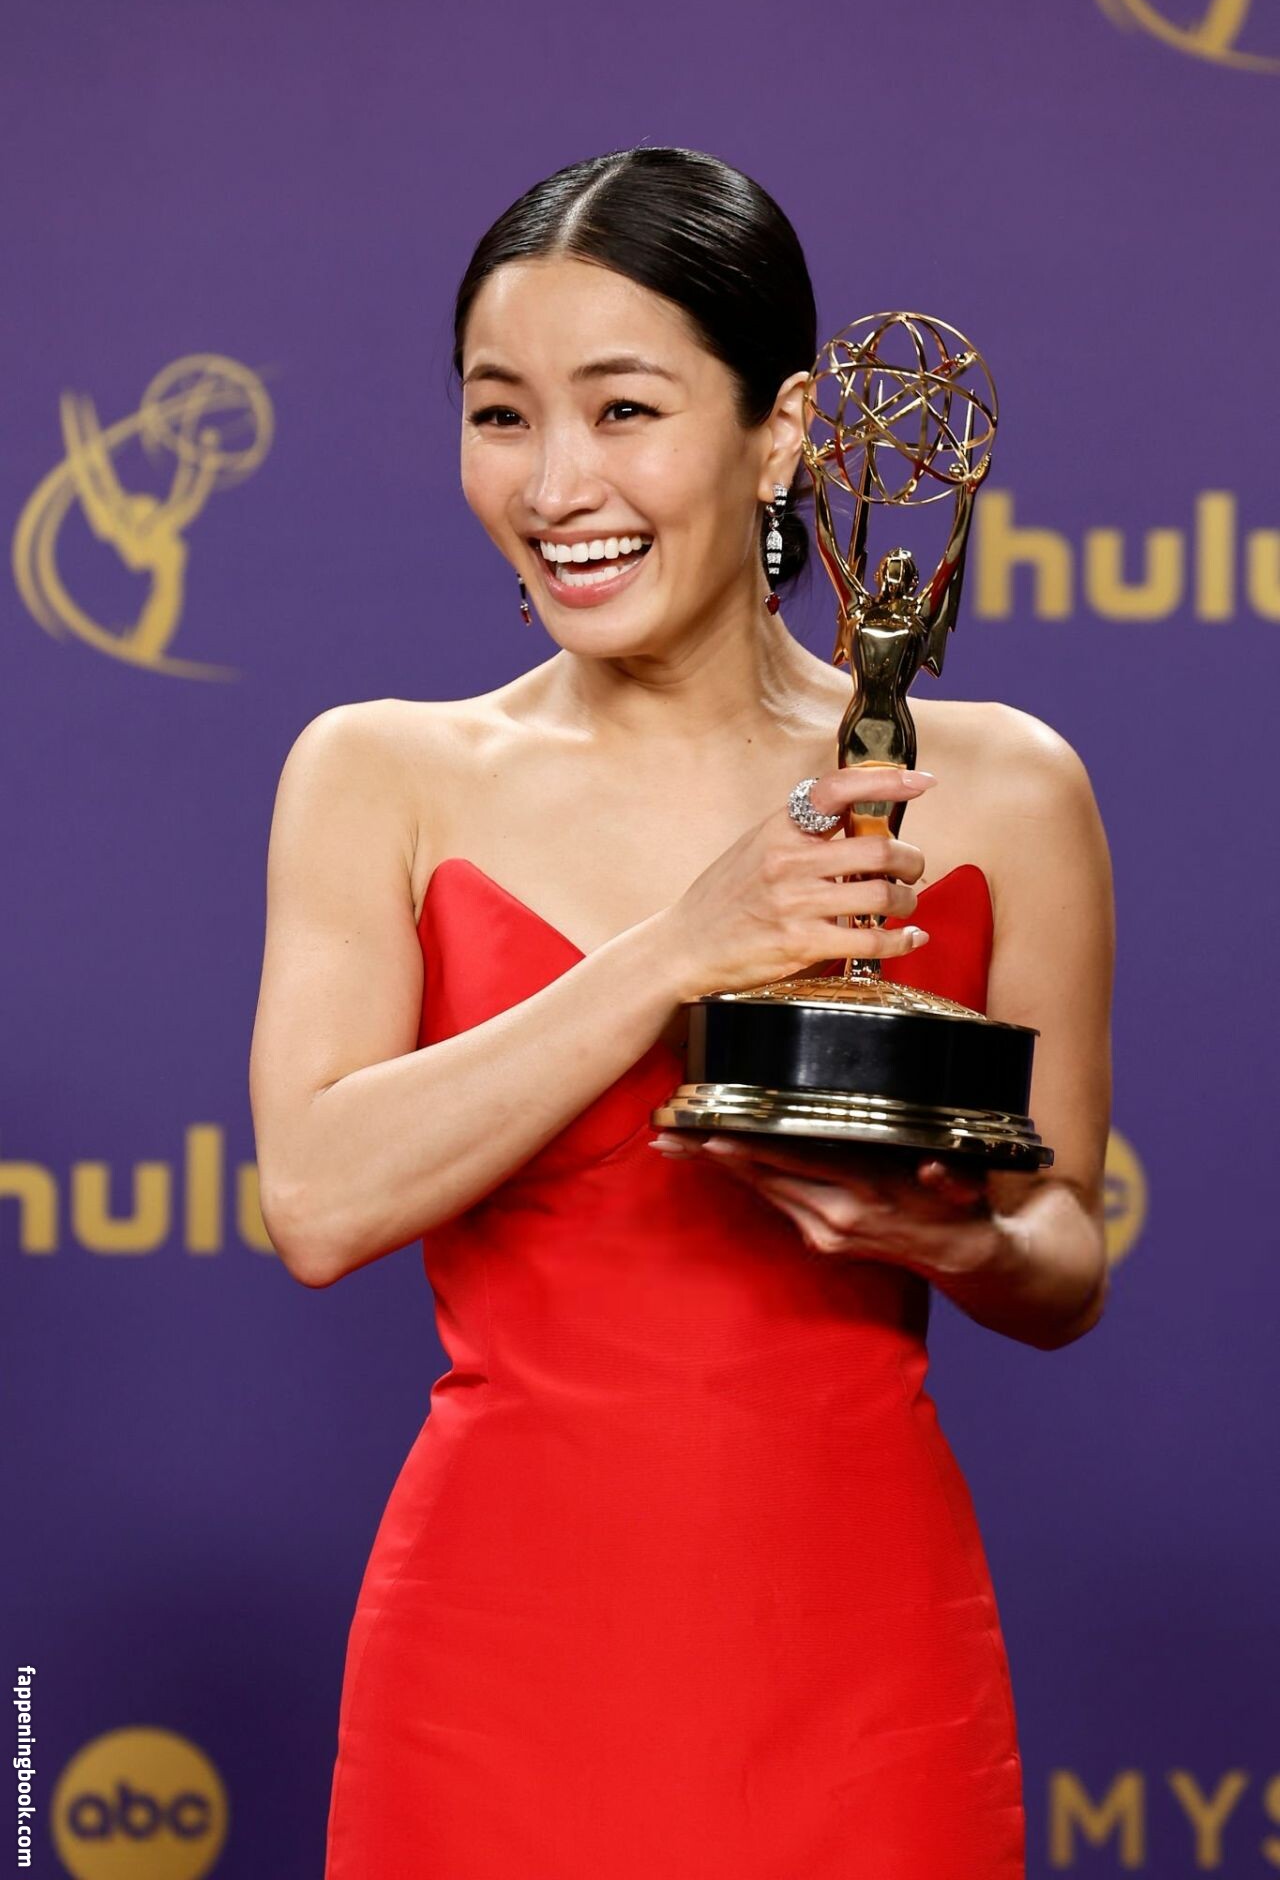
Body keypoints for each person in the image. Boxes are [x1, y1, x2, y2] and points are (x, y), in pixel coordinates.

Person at [249, 145, 1114, 1880]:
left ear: (780, 433)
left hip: (860, 1653)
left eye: (624, 410)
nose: (555, 483)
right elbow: (320, 1201)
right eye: (500, 416)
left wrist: (955, 1242)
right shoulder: (379, 772)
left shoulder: (1005, 789)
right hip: (491, 1656)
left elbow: (1067, 1252)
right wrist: (678, 948)